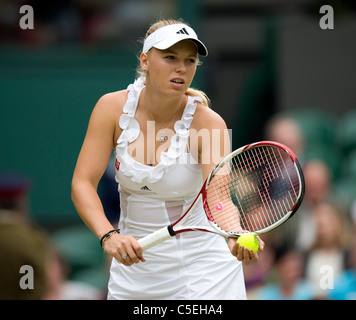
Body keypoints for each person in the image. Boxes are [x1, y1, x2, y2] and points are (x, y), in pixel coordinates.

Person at [71, 19, 264, 300]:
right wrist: (108, 236)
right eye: (170, 57)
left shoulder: (208, 124)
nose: (181, 68)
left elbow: (219, 198)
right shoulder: (110, 108)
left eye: (190, 60)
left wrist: (233, 233)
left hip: (204, 273)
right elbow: (82, 184)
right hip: (134, 273)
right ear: (145, 60)